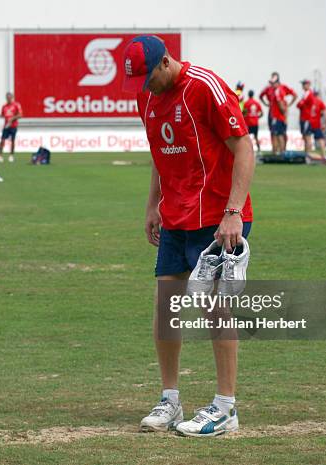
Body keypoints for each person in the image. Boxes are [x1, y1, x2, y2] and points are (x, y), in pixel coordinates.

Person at [122, 35, 254, 438]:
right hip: (175, 217)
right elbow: (159, 157)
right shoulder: (147, 99)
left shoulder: (205, 87)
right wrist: (151, 205)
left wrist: (233, 212)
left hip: (217, 217)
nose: (146, 88)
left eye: (149, 78)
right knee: (166, 307)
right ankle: (170, 398)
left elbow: (244, 148)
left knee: (214, 308)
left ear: (165, 62)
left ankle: (226, 407)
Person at [270, 77, 297, 153]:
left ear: (277, 83)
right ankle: (281, 151)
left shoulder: (277, 91)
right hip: (280, 117)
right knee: (280, 134)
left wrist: (284, 115)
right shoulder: (281, 90)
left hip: (277, 117)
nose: (272, 85)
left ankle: (279, 152)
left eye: (273, 83)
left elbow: (280, 104)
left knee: (277, 135)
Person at [0, 92, 22, 163]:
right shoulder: (4, 106)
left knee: (12, 141)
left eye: (10, 97)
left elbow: (20, 115)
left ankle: (11, 155)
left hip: (13, 125)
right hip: (6, 126)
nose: (8, 99)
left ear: (12, 97)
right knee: (2, 140)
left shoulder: (16, 105)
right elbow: (4, 115)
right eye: (7, 98)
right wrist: (0, 116)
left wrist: (13, 118)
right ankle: (0, 156)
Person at [310, 90, 326, 162]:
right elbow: (325, 113)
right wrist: (325, 123)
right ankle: (324, 154)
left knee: (307, 139)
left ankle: (308, 155)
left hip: (308, 122)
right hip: (316, 123)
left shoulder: (309, 101)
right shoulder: (319, 102)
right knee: (321, 139)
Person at [296, 79, 315, 151]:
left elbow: (299, 104)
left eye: (304, 84)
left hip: (306, 117)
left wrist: (300, 104)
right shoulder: (306, 93)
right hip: (304, 117)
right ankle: (307, 152)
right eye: (303, 84)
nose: (303, 86)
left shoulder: (308, 93)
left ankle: (308, 153)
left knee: (307, 136)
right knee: (305, 136)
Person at [243, 90, 263, 154]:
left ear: (248, 95)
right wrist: (257, 117)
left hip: (248, 123)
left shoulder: (246, 103)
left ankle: (247, 150)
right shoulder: (257, 103)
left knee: (247, 137)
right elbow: (261, 113)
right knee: (256, 137)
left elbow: (245, 113)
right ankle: (259, 150)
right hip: (255, 123)